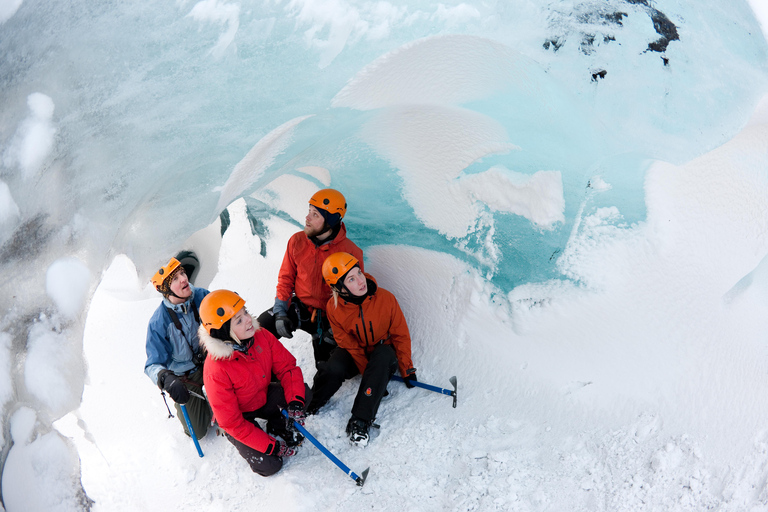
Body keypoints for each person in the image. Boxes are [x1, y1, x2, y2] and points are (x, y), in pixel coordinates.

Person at [307, 252, 417, 447]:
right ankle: (308, 405)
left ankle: (360, 420)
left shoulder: (386, 299)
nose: (360, 281)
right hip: (357, 351)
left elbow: (400, 335)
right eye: (351, 279)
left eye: (359, 273)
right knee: (333, 366)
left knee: (384, 355)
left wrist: (407, 368)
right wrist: (368, 372)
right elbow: (347, 343)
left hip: (383, 352)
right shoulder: (334, 308)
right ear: (338, 288)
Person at [198, 289, 311, 476]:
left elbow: (288, 368)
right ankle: (255, 438)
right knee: (270, 465)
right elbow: (232, 422)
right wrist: (271, 446)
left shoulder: (262, 336)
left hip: (263, 397)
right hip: (239, 418)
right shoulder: (215, 370)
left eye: (245, 312)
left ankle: (278, 424)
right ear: (224, 330)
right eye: (239, 320)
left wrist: (295, 403)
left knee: (302, 394)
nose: (249, 320)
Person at [257, 188, 364, 367]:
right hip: (300, 308)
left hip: (330, 318)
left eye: (315, 214)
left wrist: (338, 328)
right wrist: (281, 311)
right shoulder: (297, 241)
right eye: (309, 211)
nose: (307, 218)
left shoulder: (350, 252)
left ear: (330, 221)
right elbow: (285, 279)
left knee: (326, 367)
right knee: (259, 330)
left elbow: (354, 296)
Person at [145, 256, 213, 439]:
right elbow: (152, 365)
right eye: (174, 279)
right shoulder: (159, 322)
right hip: (187, 377)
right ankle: (205, 406)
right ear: (166, 290)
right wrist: (165, 377)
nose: (184, 278)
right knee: (197, 432)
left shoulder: (201, 296)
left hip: (212, 361)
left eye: (182, 273)